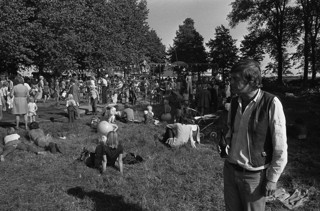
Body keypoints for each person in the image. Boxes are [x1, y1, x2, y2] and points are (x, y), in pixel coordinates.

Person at [223, 59, 287, 211]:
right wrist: (225, 140)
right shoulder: (234, 102)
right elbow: (231, 130)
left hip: (254, 177)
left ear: (250, 81)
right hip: (230, 170)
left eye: (235, 79)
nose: (230, 82)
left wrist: (272, 178)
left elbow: (280, 145)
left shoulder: (271, 103)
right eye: (230, 78)